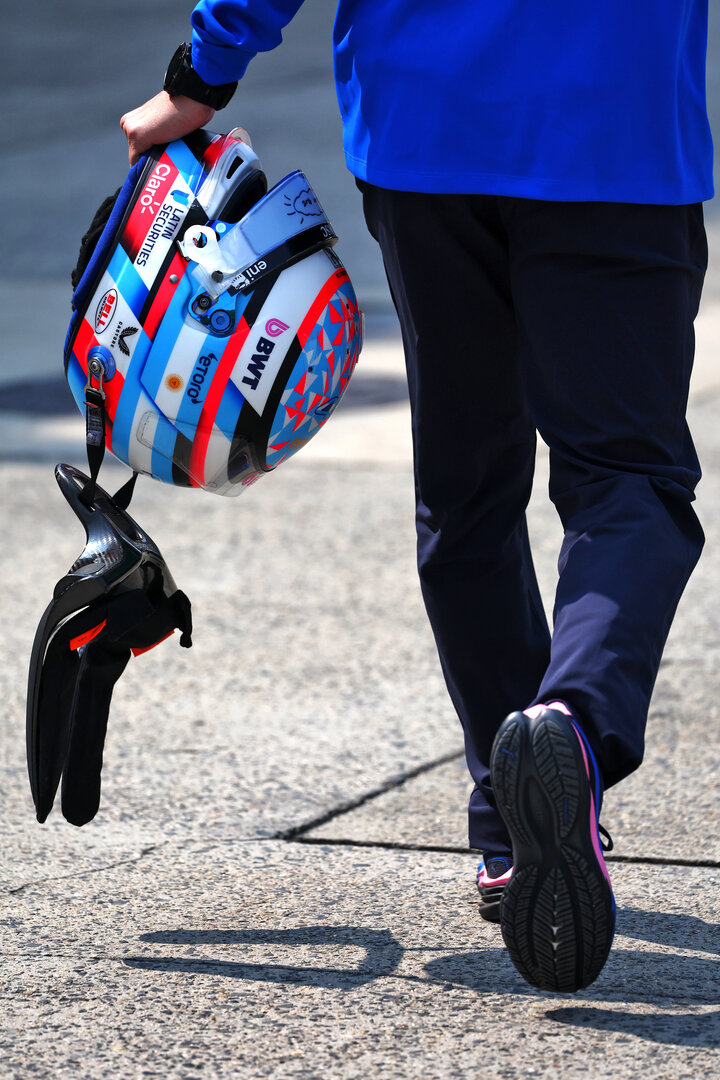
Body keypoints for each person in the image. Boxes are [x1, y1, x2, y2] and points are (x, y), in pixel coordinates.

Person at [120, 2, 713, 993]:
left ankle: (509, 815)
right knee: (629, 483)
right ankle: (571, 719)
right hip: (614, 130)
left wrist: (202, 70)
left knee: (467, 490)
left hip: (424, 132)